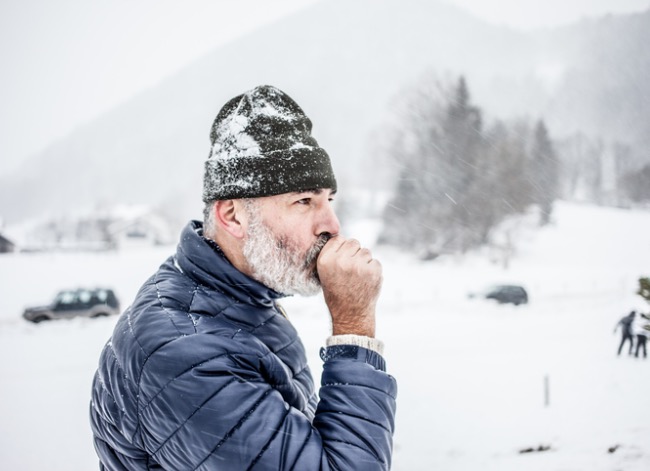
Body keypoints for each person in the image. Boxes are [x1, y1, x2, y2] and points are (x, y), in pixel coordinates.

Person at [90, 85, 397, 470]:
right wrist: (354, 330)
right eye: (304, 201)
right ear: (232, 216)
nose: (332, 226)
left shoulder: (233, 298)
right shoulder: (186, 357)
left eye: (328, 200)